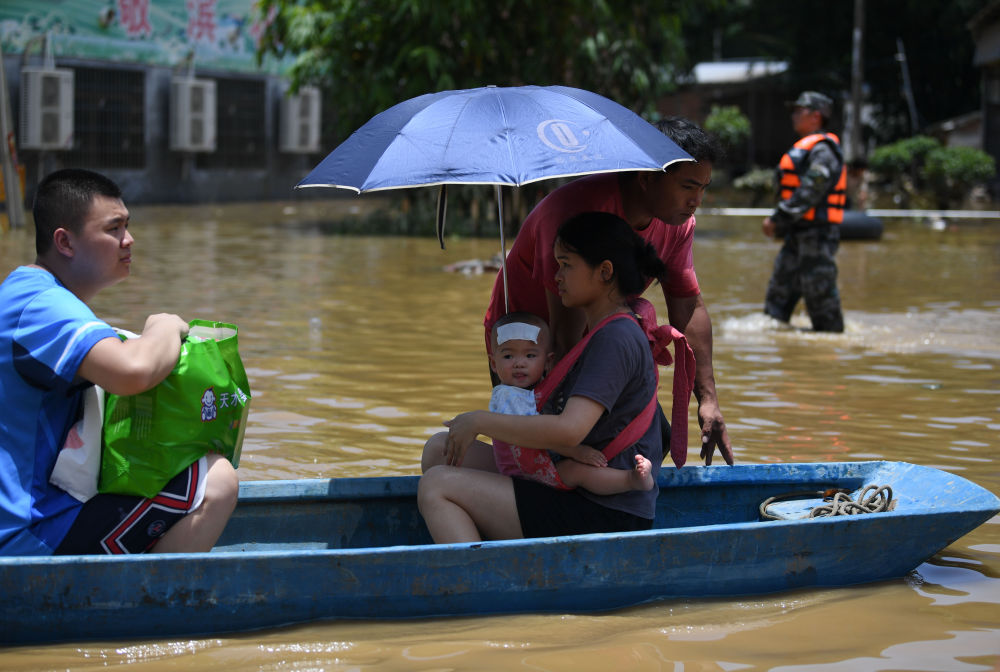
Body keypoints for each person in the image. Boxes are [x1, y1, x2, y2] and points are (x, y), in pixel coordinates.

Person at [0, 168, 239, 556]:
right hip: (28, 535)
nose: (129, 240)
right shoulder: (38, 306)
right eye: (113, 229)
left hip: (37, 517)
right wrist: (162, 325)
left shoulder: (36, 294)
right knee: (218, 479)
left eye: (127, 226)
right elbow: (133, 372)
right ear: (65, 241)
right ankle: (154, 607)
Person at [482, 117, 733, 467]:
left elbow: (688, 306)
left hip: (599, 335)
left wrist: (708, 400)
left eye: (703, 188)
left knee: (651, 437)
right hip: (528, 342)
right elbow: (565, 338)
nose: (697, 201)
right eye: (689, 187)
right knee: (544, 455)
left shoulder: (677, 224)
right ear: (647, 178)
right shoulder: (574, 216)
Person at [417, 212, 667, 543]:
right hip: (570, 483)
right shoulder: (603, 330)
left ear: (604, 272)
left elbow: (568, 431)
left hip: (603, 509)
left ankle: (482, 585)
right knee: (440, 449)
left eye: (566, 265)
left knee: (436, 486)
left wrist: (479, 421)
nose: (556, 275)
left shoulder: (616, 337)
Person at [488, 311, 653, 493]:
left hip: (539, 461)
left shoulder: (537, 390)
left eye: (530, 356)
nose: (519, 363)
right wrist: (577, 451)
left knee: (575, 469)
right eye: (508, 356)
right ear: (494, 364)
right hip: (524, 473)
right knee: (577, 471)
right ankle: (630, 479)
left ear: (548, 361)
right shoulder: (506, 396)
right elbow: (537, 435)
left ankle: (633, 478)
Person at [762, 91, 847, 333]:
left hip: (817, 236)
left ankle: (827, 355)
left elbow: (813, 188)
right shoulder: (807, 148)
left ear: (816, 116)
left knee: (821, 301)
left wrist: (779, 218)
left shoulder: (823, 149)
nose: (794, 115)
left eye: (800, 110)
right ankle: (775, 351)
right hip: (796, 234)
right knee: (778, 297)